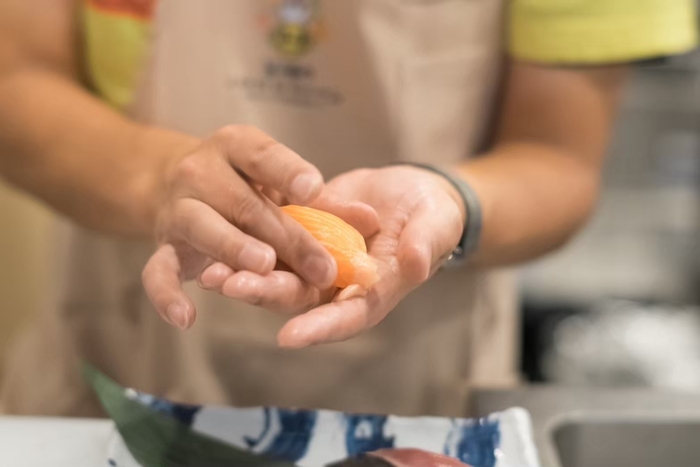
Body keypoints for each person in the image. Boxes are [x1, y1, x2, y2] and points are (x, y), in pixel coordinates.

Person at [0, 0, 696, 417]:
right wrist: (160, 177)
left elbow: (559, 159)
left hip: (418, 390)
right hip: (117, 367)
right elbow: (15, 81)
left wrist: (448, 199)